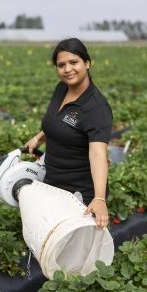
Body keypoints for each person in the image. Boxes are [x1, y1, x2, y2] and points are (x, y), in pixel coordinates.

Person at [25, 38, 112, 230]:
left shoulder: (96, 108)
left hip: (79, 193)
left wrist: (99, 199)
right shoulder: (62, 88)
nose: (67, 69)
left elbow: (98, 154)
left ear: (87, 63)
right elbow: (58, 121)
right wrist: (39, 137)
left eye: (74, 62)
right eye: (61, 65)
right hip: (53, 183)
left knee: (76, 253)